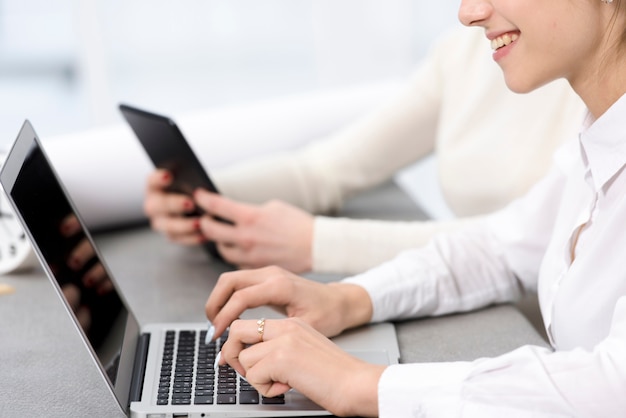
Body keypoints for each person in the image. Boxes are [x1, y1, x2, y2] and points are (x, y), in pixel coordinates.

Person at [203, 0, 626, 416]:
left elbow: (613, 385)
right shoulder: (597, 136)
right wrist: (347, 299)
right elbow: (500, 247)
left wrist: (358, 383)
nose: (468, 13)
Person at [143, 25, 584, 275]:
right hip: (480, 312)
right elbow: (327, 169)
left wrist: (317, 242)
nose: (468, 12)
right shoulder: (470, 51)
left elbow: (524, 243)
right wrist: (204, 192)